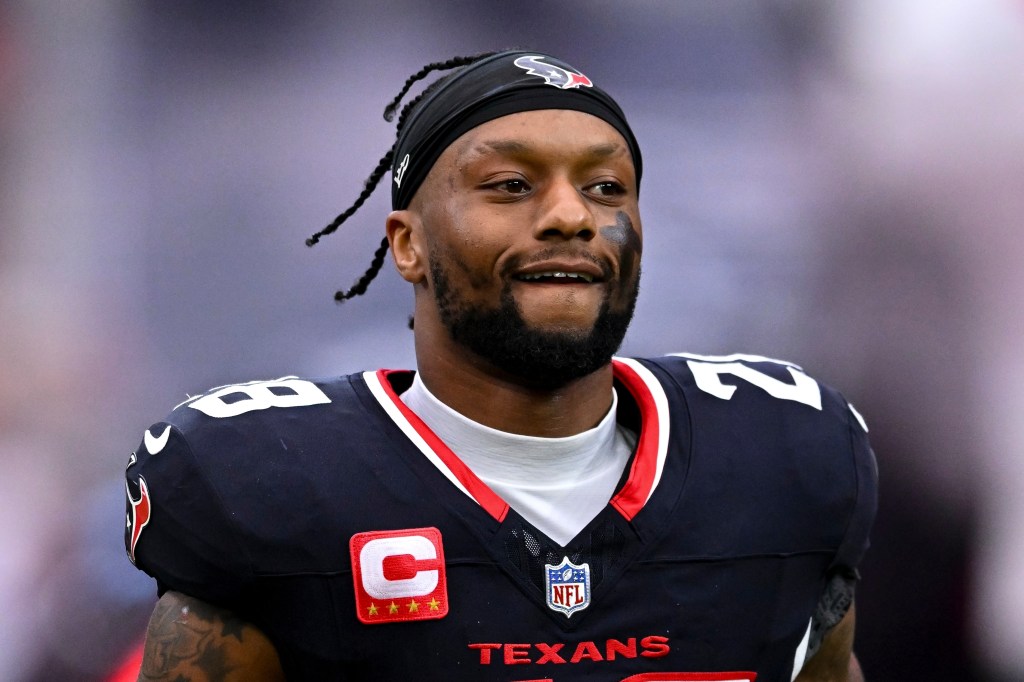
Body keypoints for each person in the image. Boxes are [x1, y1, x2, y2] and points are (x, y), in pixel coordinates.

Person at [124, 50, 877, 681]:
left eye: (605, 187)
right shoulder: (265, 482)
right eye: (511, 186)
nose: (571, 215)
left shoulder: (783, 456)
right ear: (407, 244)